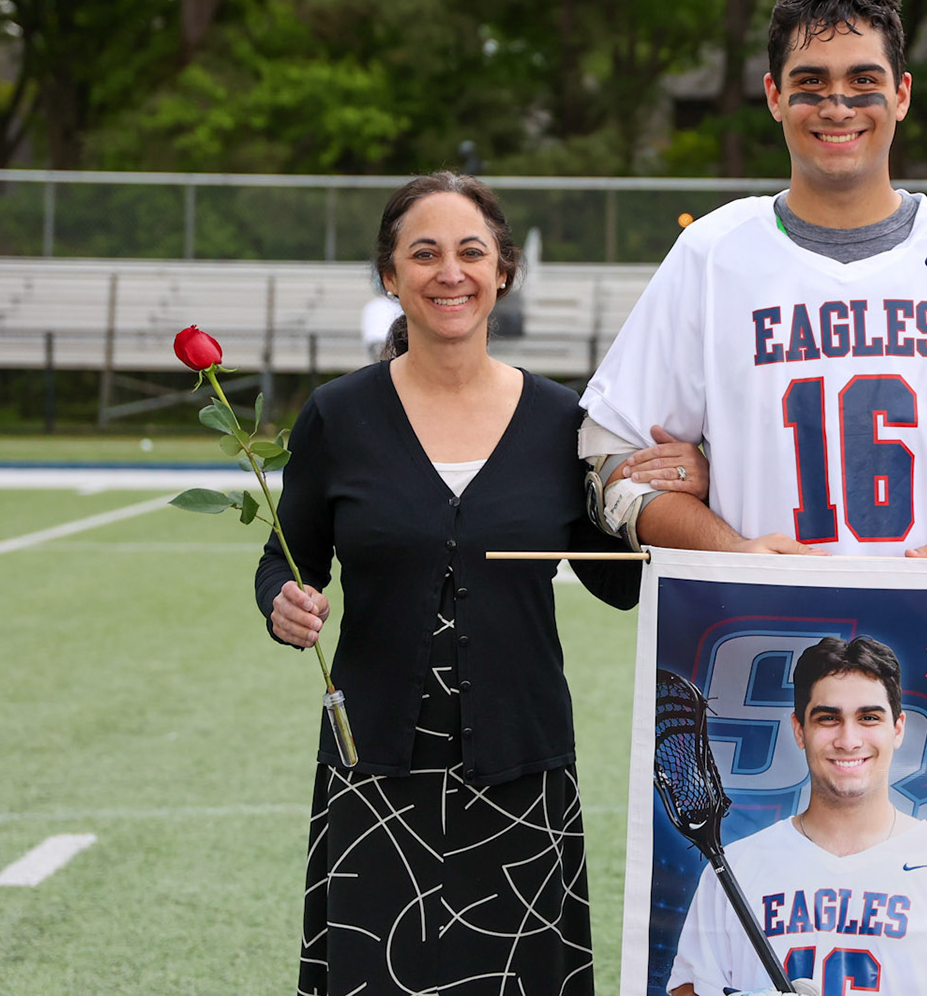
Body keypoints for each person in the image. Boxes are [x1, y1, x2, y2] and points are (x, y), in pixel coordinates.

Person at [257, 172, 705, 996]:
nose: (448, 272)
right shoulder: (338, 416)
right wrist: (283, 601)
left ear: (503, 270)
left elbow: (618, 586)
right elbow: (289, 558)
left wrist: (672, 493)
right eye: (422, 253)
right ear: (390, 276)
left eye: (471, 252)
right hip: (375, 767)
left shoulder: (559, 421)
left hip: (520, 766)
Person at [579, 0, 927, 559]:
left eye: (862, 79)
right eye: (811, 82)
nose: (838, 105)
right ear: (775, 97)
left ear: (901, 94)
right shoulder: (712, 252)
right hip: (768, 615)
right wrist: (730, 547)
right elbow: (610, 454)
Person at [665, 637, 927, 996]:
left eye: (869, 718)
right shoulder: (740, 866)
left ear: (897, 729)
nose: (848, 740)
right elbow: (691, 987)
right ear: (800, 730)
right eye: (828, 718)